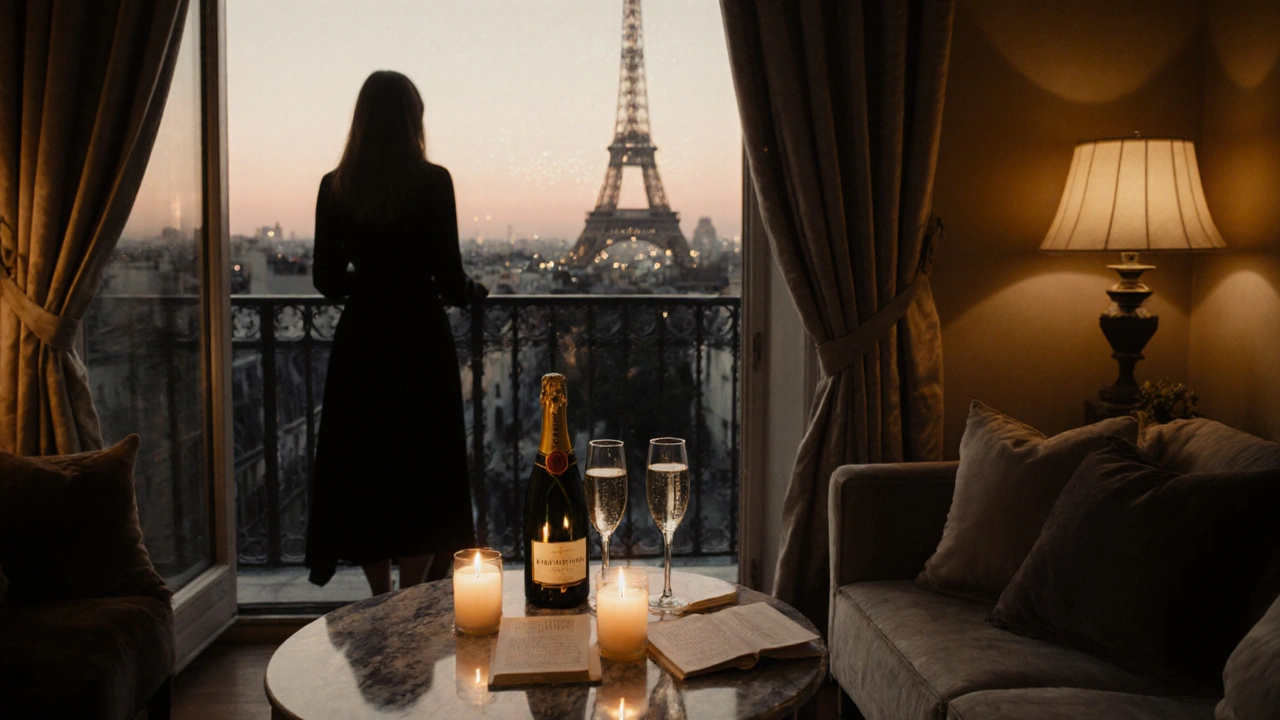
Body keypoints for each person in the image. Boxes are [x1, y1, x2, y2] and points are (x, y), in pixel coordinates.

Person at [305, 70, 487, 595]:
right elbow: (450, 279)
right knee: (423, 470)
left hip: (363, 339)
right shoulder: (434, 182)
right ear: (414, 120)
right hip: (419, 338)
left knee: (367, 468)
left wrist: (369, 280)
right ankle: (409, 596)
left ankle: (379, 597)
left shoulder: (336, 186)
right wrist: (472, 291)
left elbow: (325, 279)